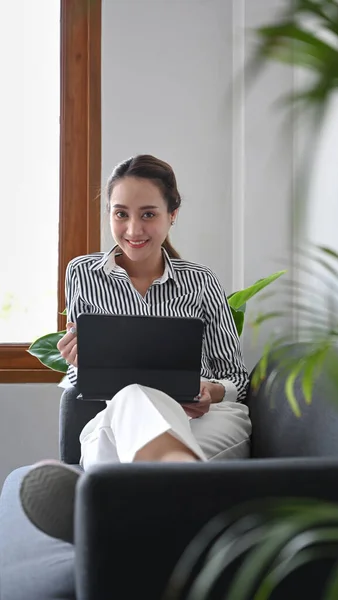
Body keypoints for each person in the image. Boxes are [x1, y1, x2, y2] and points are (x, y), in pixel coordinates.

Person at [19, 154, 252, 544]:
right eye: (120, 214)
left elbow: (237, 379)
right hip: (116, 416)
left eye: (148, 214)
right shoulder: (83, 274)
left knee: (111, 452)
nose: (132, 229)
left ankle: (98, 512)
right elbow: (86, 381)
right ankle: (179, 496)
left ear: (172, 214)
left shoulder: (201, 283)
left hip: (204, 420)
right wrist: (80, 361)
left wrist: (211, 391)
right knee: (131, 399)